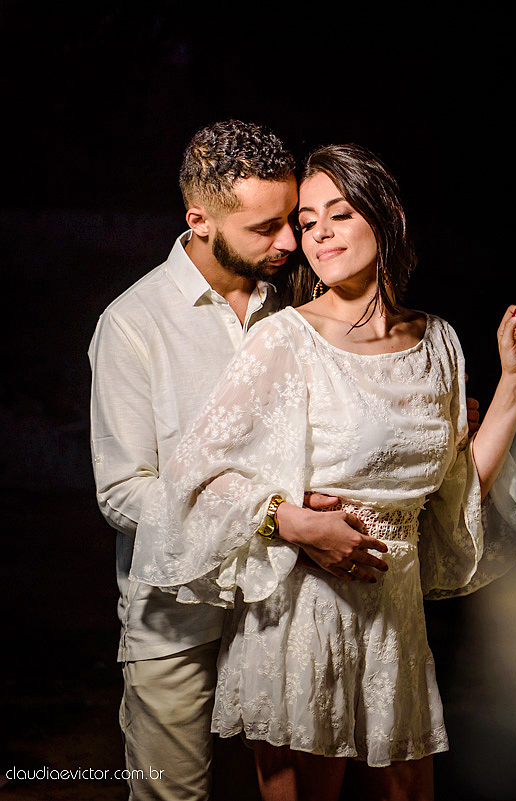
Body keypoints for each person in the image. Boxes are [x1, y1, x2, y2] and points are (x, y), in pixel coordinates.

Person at [129, 142, 516, 801]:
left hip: (397, 633)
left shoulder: (438, 340)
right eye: (307, 219)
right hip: (304, 622)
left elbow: (458, 495)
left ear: (386, 217)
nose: (317, 233)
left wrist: (514, 382)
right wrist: (291, 520)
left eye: (338, 214)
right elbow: (193, 480)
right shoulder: (284, 340)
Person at [89, 121, 416, 801]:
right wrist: (275, 519)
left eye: (291, 220)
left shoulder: (297, 302)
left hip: (285, 612)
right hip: (173, 619)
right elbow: (123, 491)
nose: (292, 242)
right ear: (200, 220)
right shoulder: (133, 323)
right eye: (268, 228)